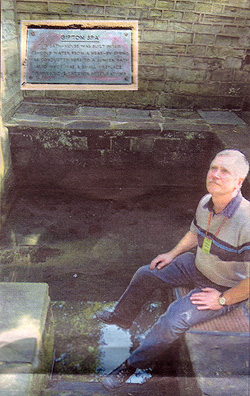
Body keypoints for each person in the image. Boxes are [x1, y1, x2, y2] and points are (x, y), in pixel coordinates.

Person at [97, 149, 250, 391]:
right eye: (213, 168)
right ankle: (123, 317)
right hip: (197, 264)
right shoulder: (206, 202)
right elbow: (194, 233)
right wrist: (171, 254)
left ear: (239, 181)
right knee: (146, 273)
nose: (216, 174)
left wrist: (222, 300)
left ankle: (131, 366)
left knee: (172, 321)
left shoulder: (247, 221)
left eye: (225, 171)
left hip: (223, 285)